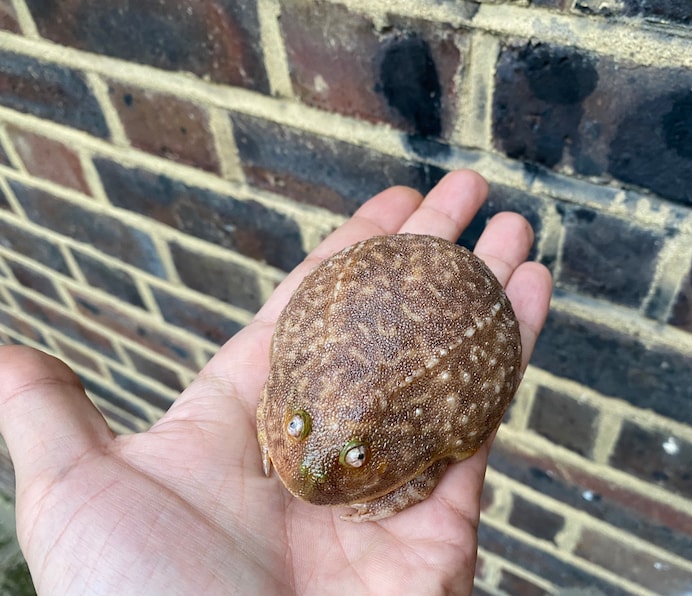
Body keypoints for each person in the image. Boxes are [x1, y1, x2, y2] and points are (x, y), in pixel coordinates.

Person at [0, 170, 552, 595]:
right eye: (295, 424)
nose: (311, 477)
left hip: (456, 326)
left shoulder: (417, 435)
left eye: (356, 458)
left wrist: (393, 479)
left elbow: (431, 462)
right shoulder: (291, 380)